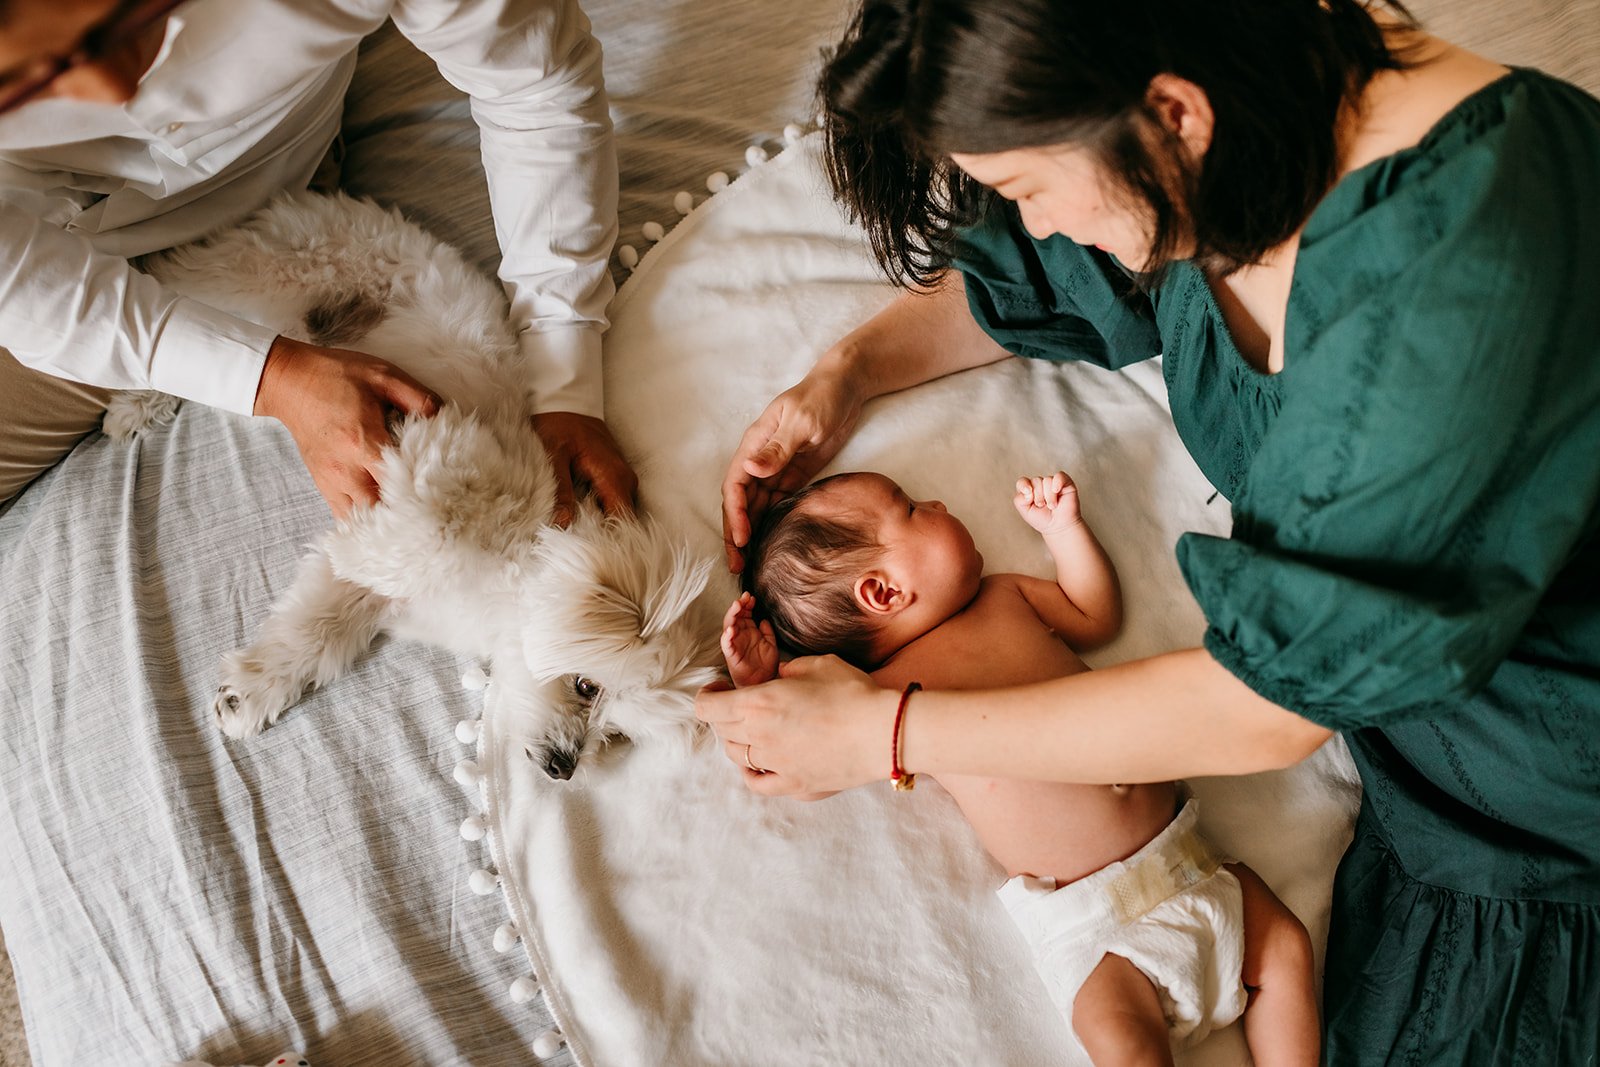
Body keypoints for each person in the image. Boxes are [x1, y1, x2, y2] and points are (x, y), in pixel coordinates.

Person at [700, 1, 1600, 1062]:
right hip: (1431, 759)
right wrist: (844, 377)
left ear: (1172, 114)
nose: (1033, 226)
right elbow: (1041, 284)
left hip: (1545, 798)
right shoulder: (1250, 118)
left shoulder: (1457, 272)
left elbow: (1266, 710)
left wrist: (882, 733)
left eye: (1030, 190)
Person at [723, 467, 1318, 1064]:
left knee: (1286, 947)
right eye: (911, 508)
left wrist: (1066, 533)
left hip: (1190, 857)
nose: (938, 498)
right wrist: (757, 686)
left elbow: (1095, 617)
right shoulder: (883, 694)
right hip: (1094, 921)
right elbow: (813, 754)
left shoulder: (1004, 595)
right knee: (1128, 1046)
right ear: (883, 592)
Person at [0, 0, 637, 521]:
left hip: (273, 179)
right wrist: (271, 377)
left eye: (120, 23)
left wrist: (564, 369)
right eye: (22, 81)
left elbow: (536, 89)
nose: (110, 90)